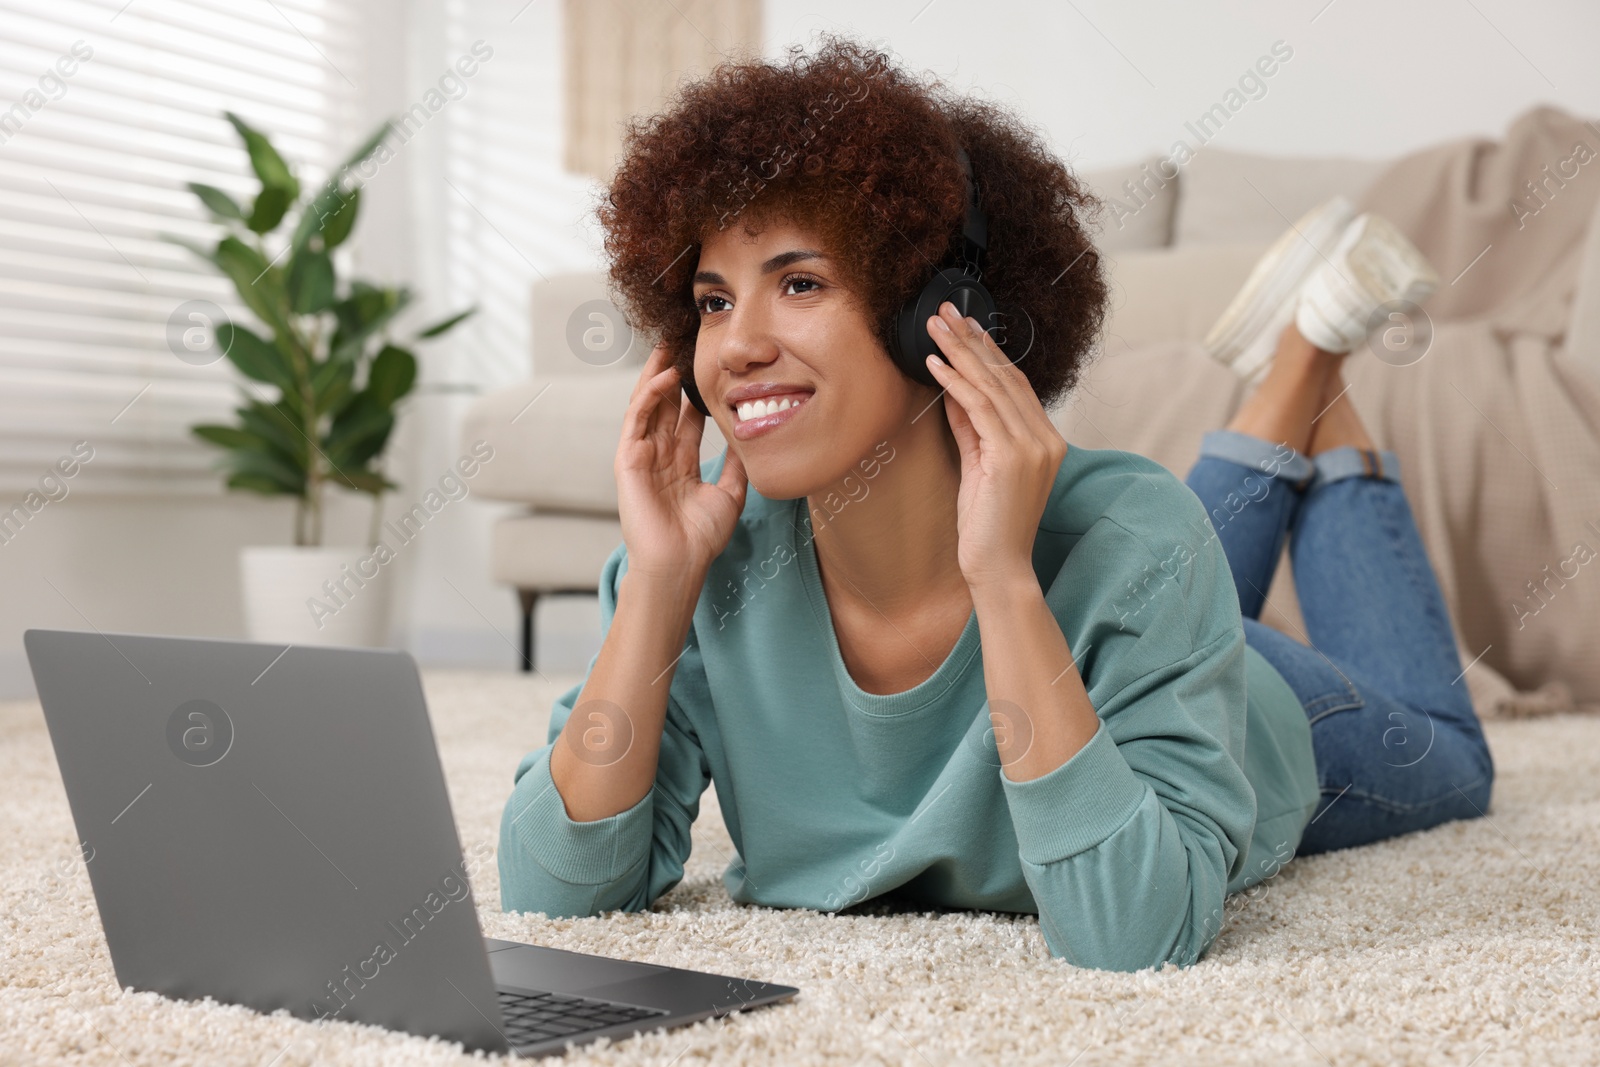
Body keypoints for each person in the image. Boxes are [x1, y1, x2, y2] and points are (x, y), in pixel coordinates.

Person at [497, 35, 1495, 972]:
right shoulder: (701, 577)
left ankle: (1311, 357)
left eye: (798, 283)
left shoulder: (1129, 543)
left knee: (1451, 762)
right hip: (1127, 604)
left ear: (940, 319)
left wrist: (1004, 580)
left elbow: (1132, 934)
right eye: (713, 301)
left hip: (1250, 707)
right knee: (1140, 563)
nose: (737, 344)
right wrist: (661, 591)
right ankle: (1297, 363)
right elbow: (549, 889)